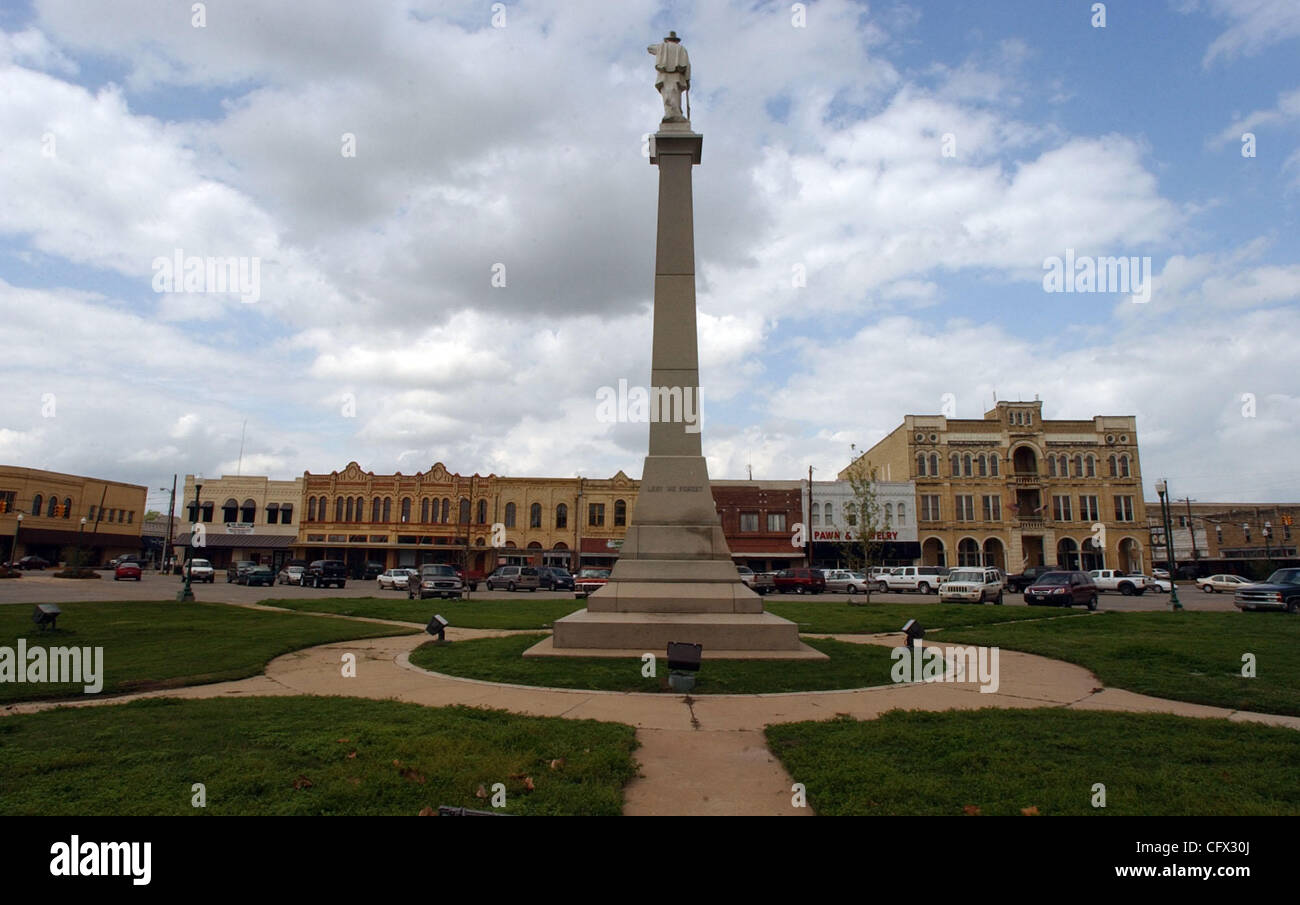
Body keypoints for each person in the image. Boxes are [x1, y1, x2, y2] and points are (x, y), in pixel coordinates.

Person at [647, 31, 690, 123]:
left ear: (667, 40)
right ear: (676, 40)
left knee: (667, 96)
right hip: (677, 76)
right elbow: (688, 66)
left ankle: (670, 114)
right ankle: (676, 114)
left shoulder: (661, 47)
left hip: (664, 77)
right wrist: (687, 80)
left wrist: (662, 46)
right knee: (676, 95)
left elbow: (649, 48)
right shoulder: (682, 49)